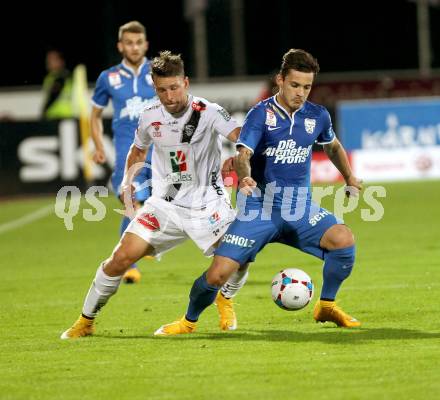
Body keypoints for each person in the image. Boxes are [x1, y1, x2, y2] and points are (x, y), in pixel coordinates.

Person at [155, 48, 363, 336]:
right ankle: (188, 321)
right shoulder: (261, 114)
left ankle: (326, 305)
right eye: (294, 85)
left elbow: (333, 146)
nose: (300, 93)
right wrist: (246, 178)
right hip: (259, 209)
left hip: (299, 208)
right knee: (217, 275)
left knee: (343, 239)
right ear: (280, 80)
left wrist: (350, 176)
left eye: (307, 86)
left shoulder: (317, 115)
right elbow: (243, 154)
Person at [61, 51, 248, 339]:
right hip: (164, 207)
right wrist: (127, 184)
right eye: (162, 90)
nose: (170, 96)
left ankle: (225, 297)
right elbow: (138, 150)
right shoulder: (149, 116)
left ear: (185, 82)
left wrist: (239, 157)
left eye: (174, 87)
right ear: (154, 88)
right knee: (120, 258)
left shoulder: (208, 111)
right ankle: (86, 321)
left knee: (242, 254)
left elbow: (243, 135)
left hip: (208, 204)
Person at [90, 21, 156, 284]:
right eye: (129, 42)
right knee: (132, 205)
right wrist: (97, 145)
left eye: (139, 42)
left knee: (154, 208)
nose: (134, 47)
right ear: (120, 46)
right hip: (128, 156)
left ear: (146, 45)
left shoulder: (159, 71)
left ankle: (146, 243)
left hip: (160, 154)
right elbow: (94, 115)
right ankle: (130, 264)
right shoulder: (109, 78)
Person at [41, 49, 74, 119]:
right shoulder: (49, 77)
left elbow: (53, 95)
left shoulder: (63, 76)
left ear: (61, 61)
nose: (49, 62)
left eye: (52, 59)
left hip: (64, 116)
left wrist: (44, 110)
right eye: (48, 59)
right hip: (52, 116)